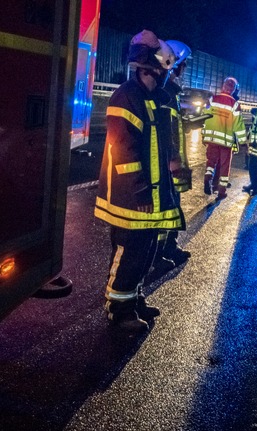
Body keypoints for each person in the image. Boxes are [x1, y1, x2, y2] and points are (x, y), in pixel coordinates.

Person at [94, 30, 179, 331]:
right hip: (132, 198)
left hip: (149, 196)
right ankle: (118, 309)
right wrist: (141, 191)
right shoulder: (127, 96)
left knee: (145, 252)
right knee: (128, 251)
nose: (168, 76)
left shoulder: (152, 97)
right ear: (151, 67)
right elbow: (124, 151)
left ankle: (134, 299)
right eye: (165, 70)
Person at [151, 39, 193, 274]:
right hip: (166, 166)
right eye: (183, 65)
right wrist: (173, 161)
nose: (184, 70)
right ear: (174, 64)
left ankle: (169, 248)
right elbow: (165, 133)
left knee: (173, 208)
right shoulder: (166, 93)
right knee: (165, 211)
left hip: (169, 165)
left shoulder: (170, 92)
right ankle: (157, 255)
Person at [201, 76, 247, 201]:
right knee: (224, 166)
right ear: (234, 90)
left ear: (223, 86)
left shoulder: (212, 99)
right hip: (226, 141)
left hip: (211, 138)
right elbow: (238, 125)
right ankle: (221, 192)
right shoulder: (234, 104)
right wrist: (243, 142)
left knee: (211, 161)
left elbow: (204, 116)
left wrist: (204, 135)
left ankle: (207, 177)